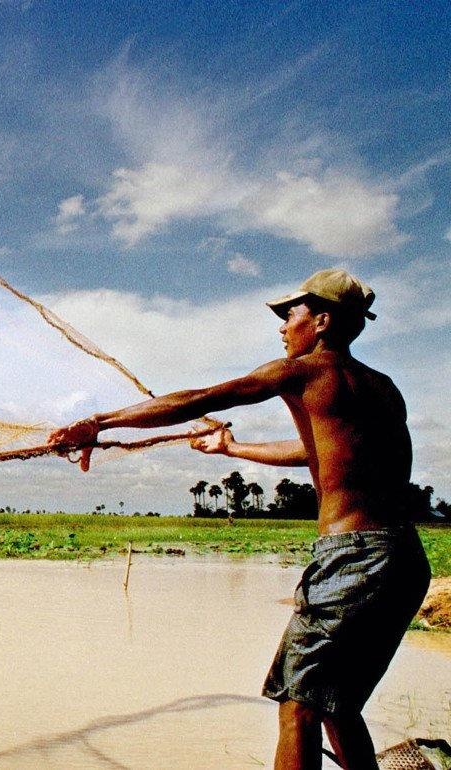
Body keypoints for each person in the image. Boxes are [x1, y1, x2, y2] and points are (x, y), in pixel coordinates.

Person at [49, 269, 430, 770]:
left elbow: (200, 399)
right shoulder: (382, 389)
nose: (281, 327)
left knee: (297, 706)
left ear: (320, 320)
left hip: (353, 558)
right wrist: (232, 448)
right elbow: (318, 452)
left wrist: (100, 423)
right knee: (337, 706)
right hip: (403, 561)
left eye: (289, 315)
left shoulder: (306, 372)